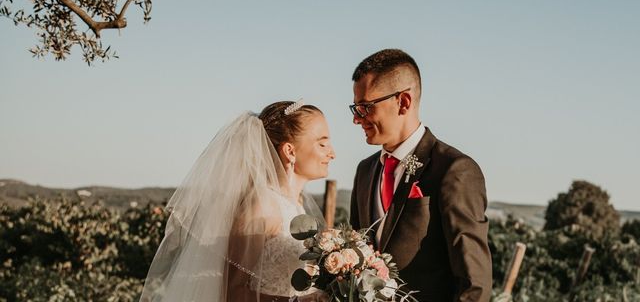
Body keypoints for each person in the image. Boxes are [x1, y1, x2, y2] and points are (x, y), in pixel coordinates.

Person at [140, 101, 335, 302]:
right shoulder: (263, 207)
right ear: (290, 151)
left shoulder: (296, 205)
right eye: (322, 144)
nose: (332, 154)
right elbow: (232, 291)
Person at [349, 49, 492, 302]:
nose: (357, 119)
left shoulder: (454, 170)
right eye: (356, 107)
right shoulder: (364, 171)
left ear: (403, 102)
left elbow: (474, 282)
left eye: (365, 107)